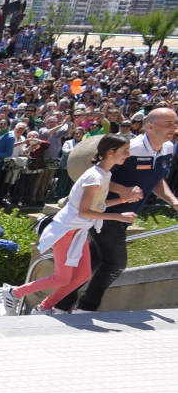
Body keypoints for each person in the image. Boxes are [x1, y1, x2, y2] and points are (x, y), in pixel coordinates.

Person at [55, 108, 178, 312]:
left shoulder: (167, 148)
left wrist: (173, 200)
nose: (174, 128)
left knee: (92, 261)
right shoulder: (130, 148)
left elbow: (157, 179)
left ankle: (61, 304)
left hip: (126, 216)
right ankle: (86, 308)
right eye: (168, 123)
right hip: (107, 212)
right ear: (150, 126)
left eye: (175, 123)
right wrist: (122, 190)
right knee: (115, 263)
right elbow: (95, 174)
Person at [15, 135, 137, 312]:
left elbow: (97, 205)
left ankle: (44, 306)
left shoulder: (104, 174)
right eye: (125, 150)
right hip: (65, 230)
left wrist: (124, 200)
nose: (128, 154)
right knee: (62, 278)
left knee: (83, 276)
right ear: (111, 152)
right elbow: (84, 211)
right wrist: (119, 217)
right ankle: (15, 293)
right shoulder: (94, 177)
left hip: (77, 231)